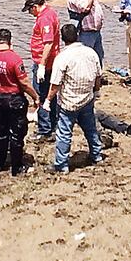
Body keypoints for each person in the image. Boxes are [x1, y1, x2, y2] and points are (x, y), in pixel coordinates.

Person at [0, 28, 40, 176]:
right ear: (10, 41)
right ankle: (16, 167)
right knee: (17, 134)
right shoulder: (15, 59)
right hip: (14, 99)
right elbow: (24, 82)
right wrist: (35, 97)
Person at [47, 24, 104, 173]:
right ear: (77, 35)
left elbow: (55, 84)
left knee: (64, 133)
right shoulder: (90, 53)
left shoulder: (62, 57)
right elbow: (98, 75)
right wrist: (96, 91)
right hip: (87, 98)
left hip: (68, 103)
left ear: (62, 39)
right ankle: (97, 154)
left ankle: (61, 164)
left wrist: (48, 100)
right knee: (90, 128)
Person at [24, 0, 60, 141]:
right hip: (50, 61)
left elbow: (48, 43)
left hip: (45, 62)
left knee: (41, 95)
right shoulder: (50, 12)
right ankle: (53, 126)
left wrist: (42, 65)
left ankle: (44, 130)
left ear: (34, 7)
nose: (30, 13)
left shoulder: (44, 18)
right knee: (50, 94)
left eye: (29, 10)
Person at [66, 0, 105, 64]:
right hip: (84, 32)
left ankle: (97, 78)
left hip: (95, 31)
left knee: (98, 58)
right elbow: (86, 7)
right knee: (85, 60)